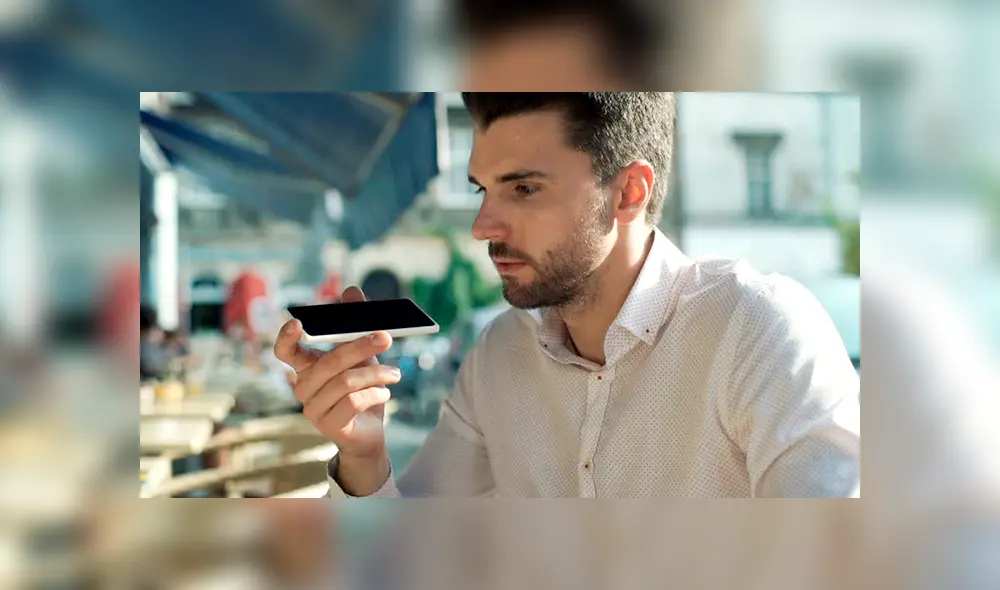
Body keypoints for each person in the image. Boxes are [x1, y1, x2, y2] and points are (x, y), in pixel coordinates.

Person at [275, 93, 861, 497]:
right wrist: (363, 455)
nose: (482, 225)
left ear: (628, 192)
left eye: (524, 188)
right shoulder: (502, 355)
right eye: (483, 188)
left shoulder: (754, 328)